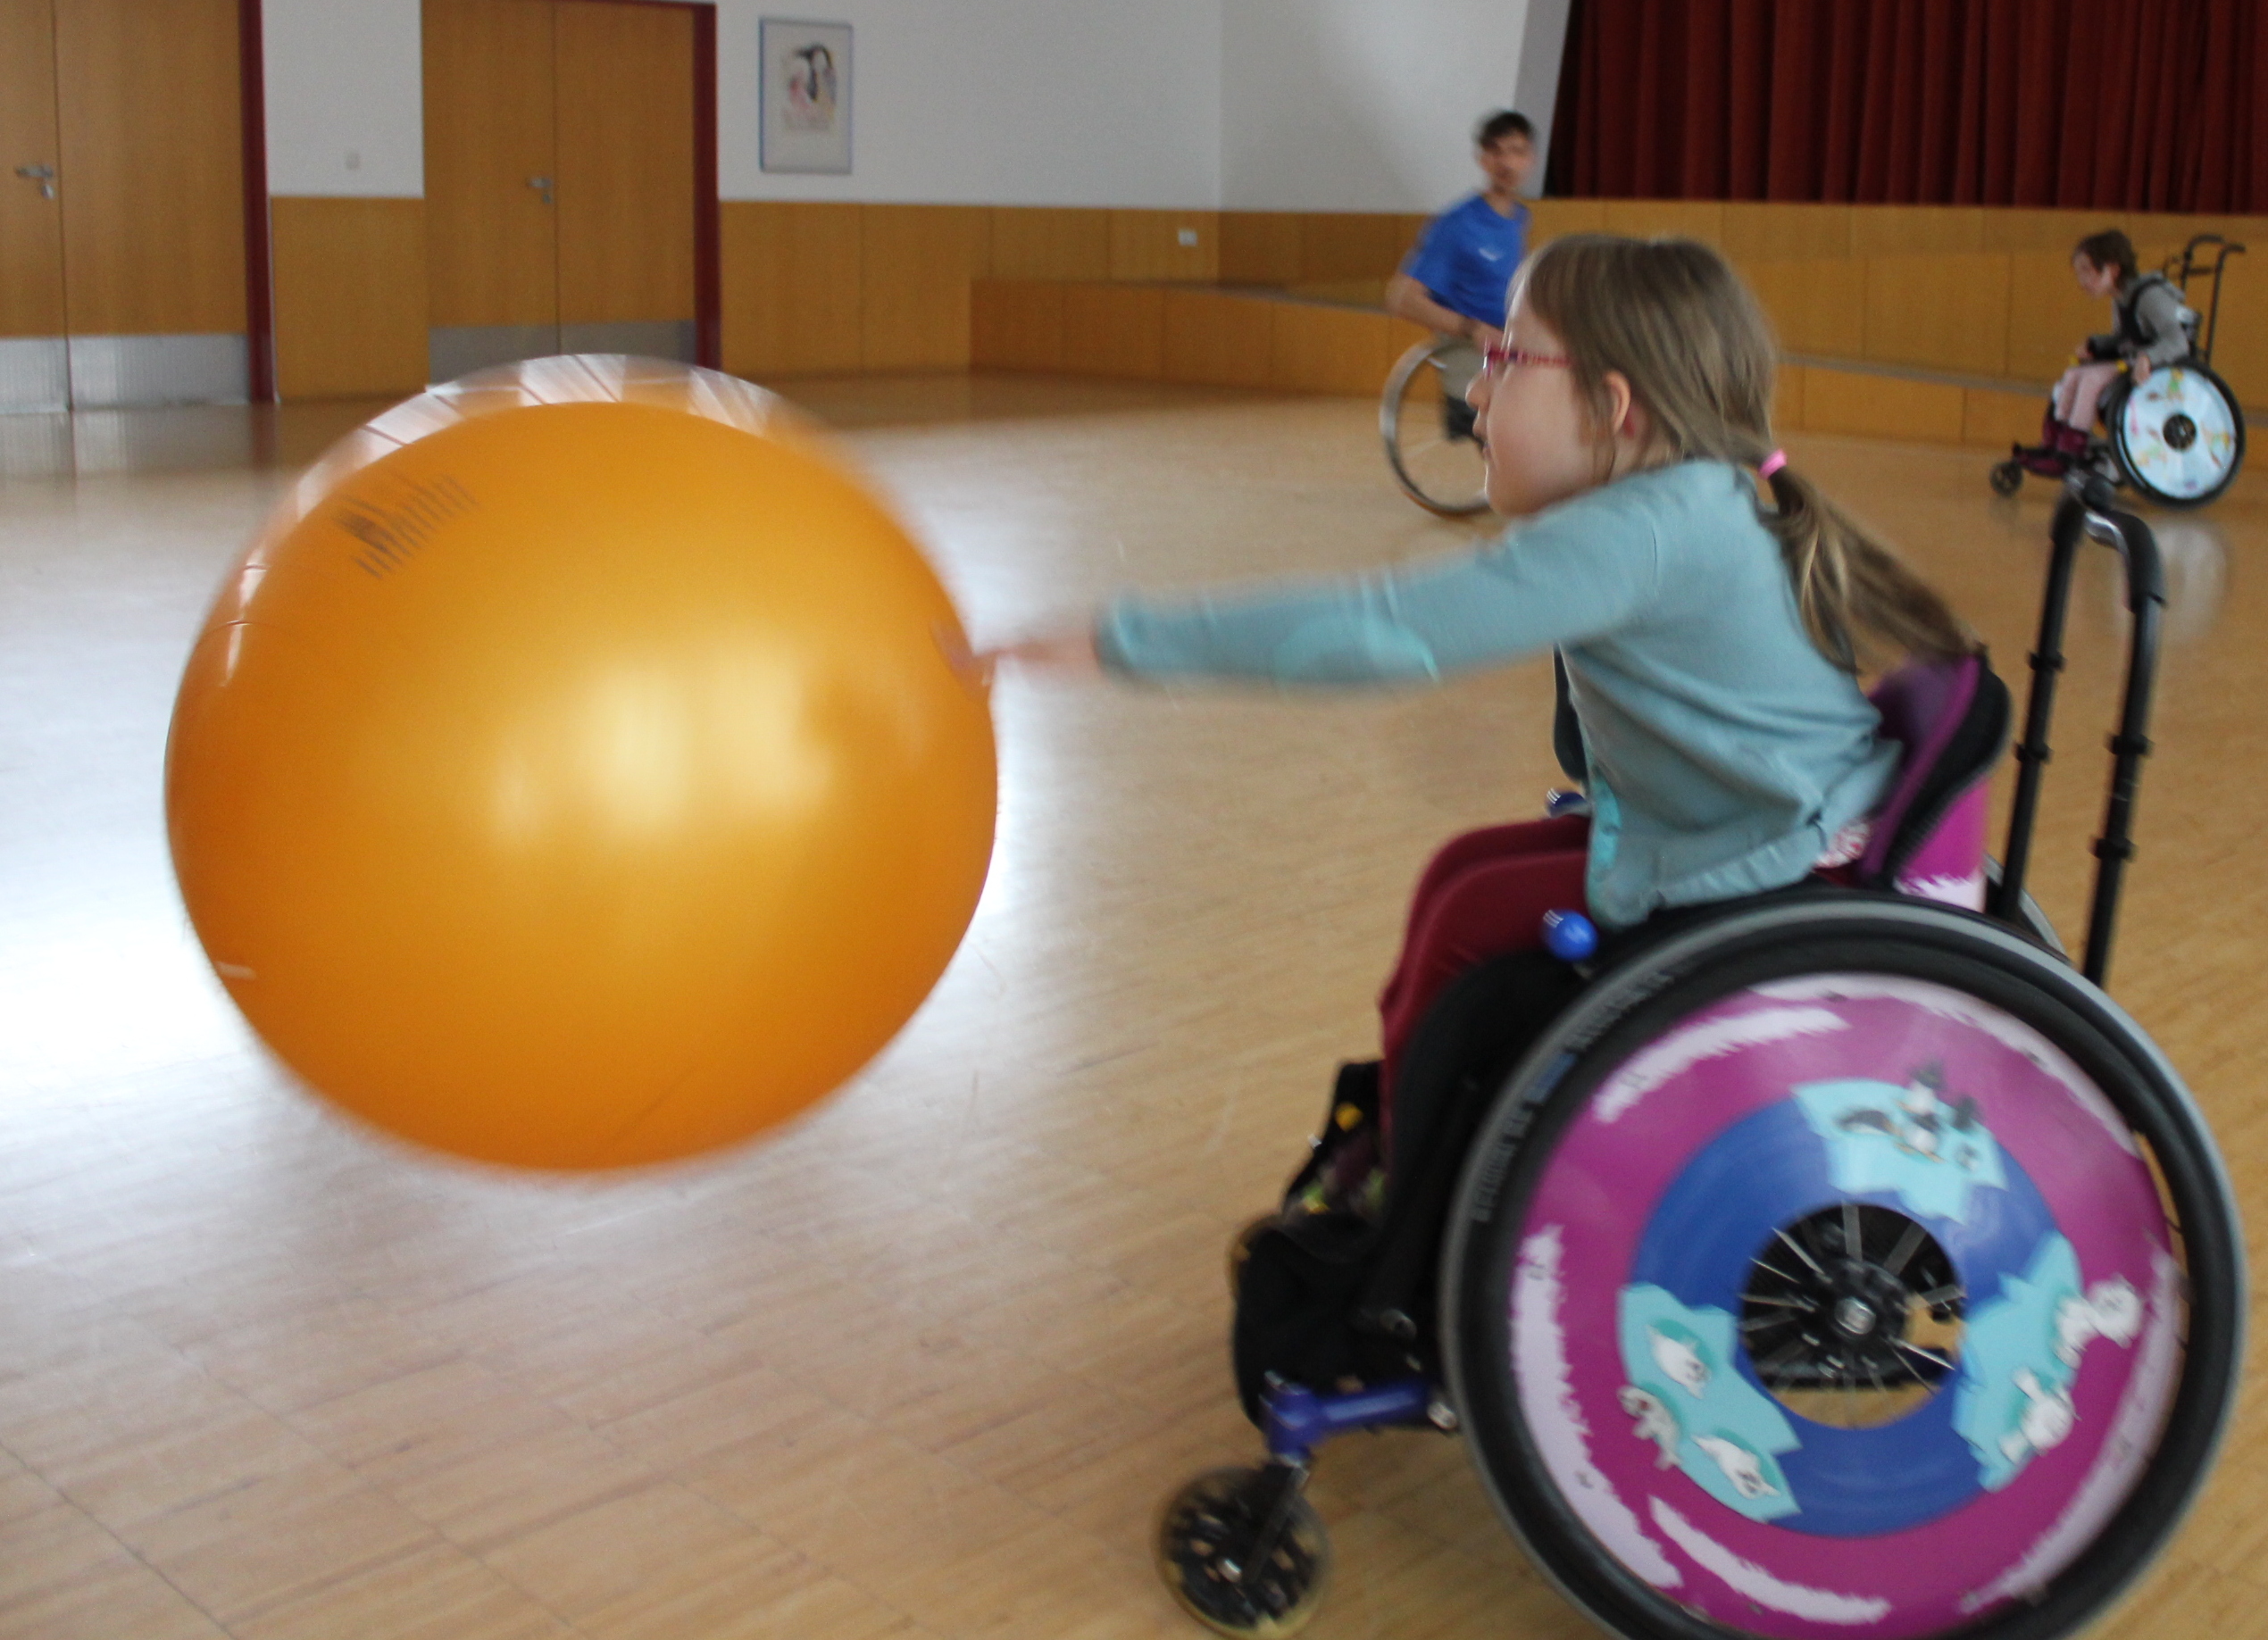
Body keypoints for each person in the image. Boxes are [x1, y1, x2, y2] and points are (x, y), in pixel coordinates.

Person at [981, 231, 1972, 1158]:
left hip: (1766, 862)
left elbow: (1380, 632)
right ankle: (1422, 1163)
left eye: (1506, 360)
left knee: (1471, 920)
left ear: (1612, 408)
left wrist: (1118, 642)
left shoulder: (1641, 530)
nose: (1473, 395)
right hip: (1772, 831)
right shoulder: (1693, 500)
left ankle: (1419, 1200)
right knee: (1462, 877)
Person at [1384, 111, 1536, 435]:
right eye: (1497, 151)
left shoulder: (1520, 219)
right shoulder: (1457, 225)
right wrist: (1472, 329)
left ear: (1530, 159)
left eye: (1517, 151)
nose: (1507, 162)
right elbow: (1401, 298)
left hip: (1510, 347)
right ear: (1482, 159)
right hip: (1474, 355)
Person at [2027, 229, 2195, 475]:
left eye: (2087, 271)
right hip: (2133, 362)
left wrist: (2148, 358)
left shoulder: (2150, 296)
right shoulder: (2121, 298)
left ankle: (2072, 449)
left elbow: (2178, 341)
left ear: (2113, 269)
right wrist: (2095, 345)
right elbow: (2122, 340)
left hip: (2161, 369)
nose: (2081, 280)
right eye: (2079, 272)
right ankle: (2055, 443)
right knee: (2074, 374)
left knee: (2091, 378)